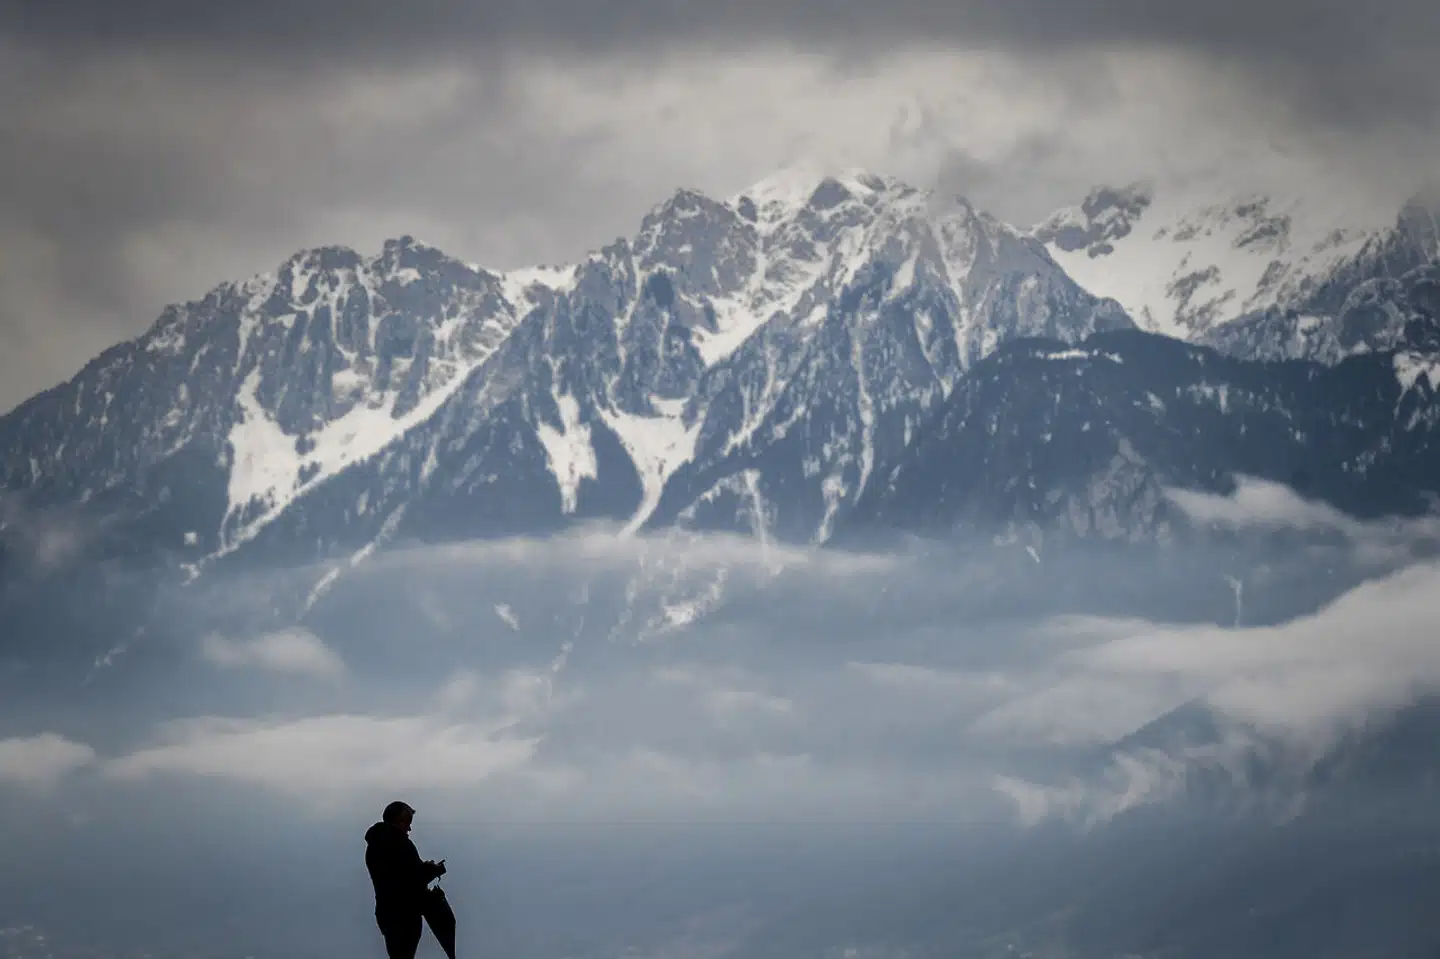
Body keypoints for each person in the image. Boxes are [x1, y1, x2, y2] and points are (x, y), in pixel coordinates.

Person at [365, 801, 447, 959]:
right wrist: (432, 869)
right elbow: (411, 879)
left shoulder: (374, 846)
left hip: (387, 914)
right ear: (399, 820)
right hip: (404, 915)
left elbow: (400, 875)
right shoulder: (400, 843)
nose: (409, 828)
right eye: (407, 822)